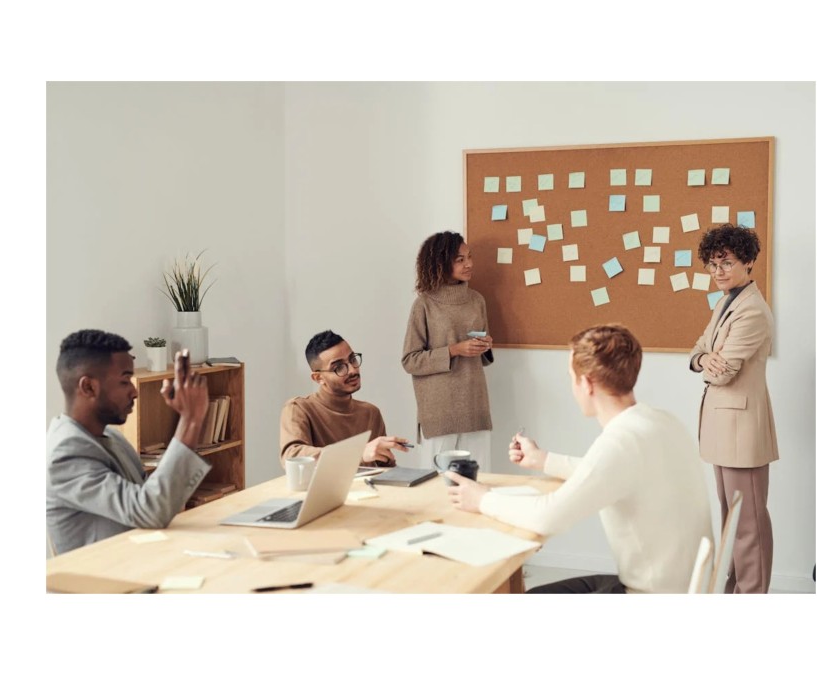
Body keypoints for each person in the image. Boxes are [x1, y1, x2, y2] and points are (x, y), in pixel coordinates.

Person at [447, 324, 712, 594]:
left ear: (586, 383)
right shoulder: (660, 421)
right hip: (683, 588)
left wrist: (482, 499)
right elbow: (606, 474)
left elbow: (547, 517)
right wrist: (543, 460)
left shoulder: (621, 441)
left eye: (571, 377)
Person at [46, 329, 211, 555]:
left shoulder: (112, 437)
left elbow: (151, 500)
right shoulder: (65, 454)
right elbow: (150, 510)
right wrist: (190, 419)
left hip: (143, 563)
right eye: (125, 381)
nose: (134, 392)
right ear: (88, 387)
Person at [690, 223, 778, 594]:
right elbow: (697, 351)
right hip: (723, 428)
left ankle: (751, 596)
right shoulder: (727, 302)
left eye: (726, 263)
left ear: (748, 261)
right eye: (712, 265)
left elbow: (724, 372)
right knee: (733, 520)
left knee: (749, 526)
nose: (718, 272)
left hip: (742, 428)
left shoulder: (752, 310)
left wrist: (709, 362)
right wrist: (703, 359)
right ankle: (734, 592)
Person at [401, 231, 494, 471]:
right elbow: (411, 361)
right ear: (440, 262)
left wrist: (484, 346)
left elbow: (480, 357)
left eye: (469, 257)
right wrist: (454, 350)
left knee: (479, 480)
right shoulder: (424, 304)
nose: (469, 264)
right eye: (459, 259)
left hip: (475, 404)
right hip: (439, 411)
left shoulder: (476, 300)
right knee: (436, 485)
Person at [280, 330, 410, 467]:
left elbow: (385, 472)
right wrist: (358, 453)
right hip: (325, 489)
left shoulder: (371, 412)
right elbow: (292, 456)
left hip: (368, 488)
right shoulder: (298, 408)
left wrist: (386, 458)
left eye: (353, 359)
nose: (353, 370)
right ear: (318, 378)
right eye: (339, 367)